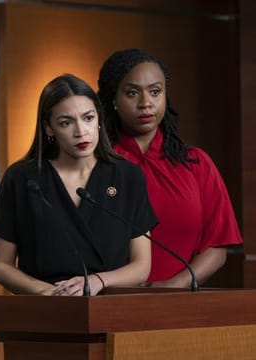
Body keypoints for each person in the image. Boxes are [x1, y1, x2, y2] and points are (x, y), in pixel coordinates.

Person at [0, 74, 157, 296]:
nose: (81, 131)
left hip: (110, 311)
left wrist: (97, 281)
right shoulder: (21, 178)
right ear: (48, 128)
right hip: (42, 312)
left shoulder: (128, 176)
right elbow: (1, 265)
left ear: (99, 119)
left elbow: (141, 266)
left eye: (88, 118)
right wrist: (50, 294)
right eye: (66, 122)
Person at [97, 48, 243, 287]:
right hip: (109, 305)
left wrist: (173, 286)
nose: (146, 103)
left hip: (180, 308)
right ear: (113, 99)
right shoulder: (96, 165)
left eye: (155, 92)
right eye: (132, 93)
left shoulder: (197, 163)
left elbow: (217, 247)